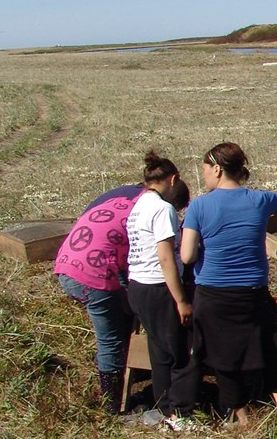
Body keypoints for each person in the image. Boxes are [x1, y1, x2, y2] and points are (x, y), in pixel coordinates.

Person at [54, 159, 187, 413]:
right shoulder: (151, 208)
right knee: (111, 339)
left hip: (67, 262)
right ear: (172, 183)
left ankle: (125, 373)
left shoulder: (123, 196)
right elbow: (152, 255)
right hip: (93, 271)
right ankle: (112, 406)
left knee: (121, 314)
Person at [180, 142, 277, 425]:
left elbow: (186, 255)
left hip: (214, 295)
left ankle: (243, 418)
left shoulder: (200, 205)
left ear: (217, 169)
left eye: (205, 169)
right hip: (253, 292)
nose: (204, 174)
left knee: (224, 358)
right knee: (269, 348)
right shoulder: (259, 200)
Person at [124, 151, 198, 429]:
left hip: (138, 285)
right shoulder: (163, 209)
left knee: (159, 350)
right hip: (159, 286)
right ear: (173, 179)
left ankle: (161, 406)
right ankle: (178, 412)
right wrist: (181, 299)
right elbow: (166, 256)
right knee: (179, 352)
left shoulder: (140, 204)